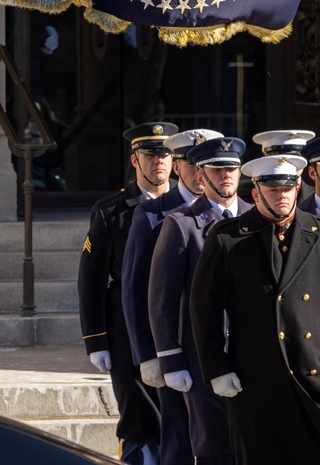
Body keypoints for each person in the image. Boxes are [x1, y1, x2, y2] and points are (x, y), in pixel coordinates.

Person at [190, 154, 320, 465]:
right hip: (256, 378)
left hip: (313, 372)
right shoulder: (228, 238)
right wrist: (217, 367)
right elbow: (204, 309)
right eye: (272, 190)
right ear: (255, 193)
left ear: (298, 189)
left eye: (287, 189)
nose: (281, 196)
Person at [78, 121, 178, 465]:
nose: (159, 162)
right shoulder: (112, 211)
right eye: (151, 155)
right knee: (139, 419)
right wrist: (96, 339)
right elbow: (91, 280)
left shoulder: (187, 205)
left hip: (177, 324)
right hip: (129, 332)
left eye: (165, 154)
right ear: (135, 160)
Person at [149, 137, 252, 465]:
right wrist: (171, 359)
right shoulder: (181, 225)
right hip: (203, 355)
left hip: (254, 352)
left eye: (232, 169)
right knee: (215, 447)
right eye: (217, 170)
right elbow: (162, 299)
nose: (226, 176)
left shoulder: (257, 219)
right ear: (200, 177)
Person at [123, 129, 222, 465]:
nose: (198, 172)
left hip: (216, 347)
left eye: (204, 164)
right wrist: (148, 355)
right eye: (190, 163)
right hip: (174, 348)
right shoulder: (153, 213)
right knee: (178, 436)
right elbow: (139, 290)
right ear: (178, 167)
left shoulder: (229, 210)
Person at [253, 129, 316, 201]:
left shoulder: (318, 198)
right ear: (265, 160)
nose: (286, 163)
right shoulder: (252, 199)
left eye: (295, 158)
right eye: (280, 159)